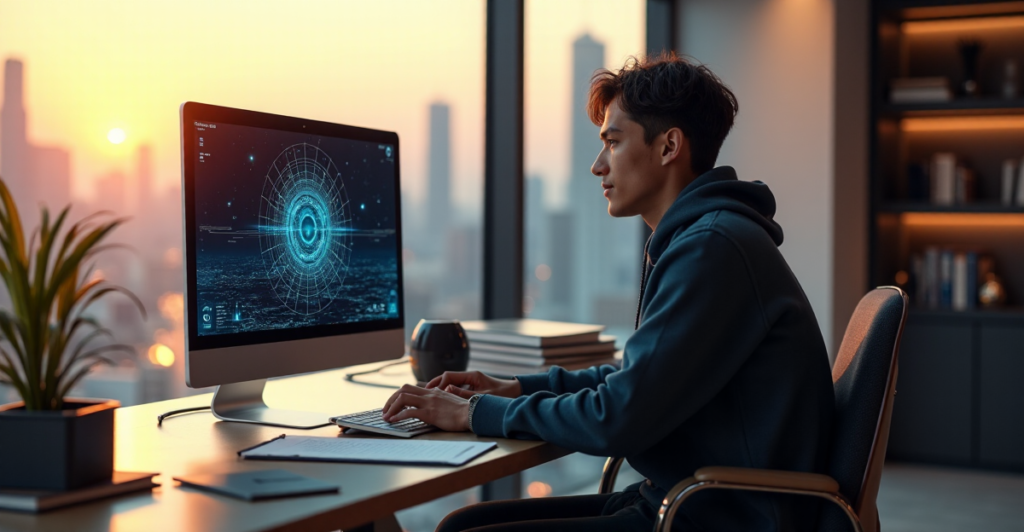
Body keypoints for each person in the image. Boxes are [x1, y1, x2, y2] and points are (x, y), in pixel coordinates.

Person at [381, 53, 835, 532]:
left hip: (721, 516)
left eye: (613, 142)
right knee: (463, 524)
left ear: (668, 147)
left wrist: (477, 412)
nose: (598, 166)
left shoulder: (711, 249)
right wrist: (513, 387)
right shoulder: (704, 238)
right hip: (689, 498)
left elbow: (620, 416)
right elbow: (636, 379)